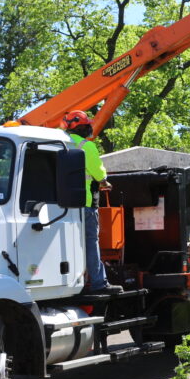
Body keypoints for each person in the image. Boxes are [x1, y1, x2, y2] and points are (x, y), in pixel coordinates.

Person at [61, 110, 121, 295]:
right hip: (85, 204)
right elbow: (99, 174)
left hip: (61, 206)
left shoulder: (60, 144)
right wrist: (103, 180)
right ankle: (98, 282)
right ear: (85, 127)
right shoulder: (87, 147)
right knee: (90, 242)